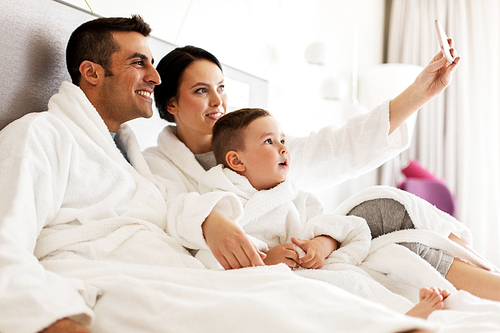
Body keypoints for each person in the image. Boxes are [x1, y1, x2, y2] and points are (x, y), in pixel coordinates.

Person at [1, 14, 443, 333]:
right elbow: (7, 240)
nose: (153, 77)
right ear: (92, 73)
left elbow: (332, 148)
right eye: (140, 63)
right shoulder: (46, 136)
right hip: (145, 273)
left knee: (299, 282)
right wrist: (50, 316)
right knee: (262, 299)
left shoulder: (130, 155)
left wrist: (415, 96)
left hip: (197, 267)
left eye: (222, 88)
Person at [144, 44, 500, 301]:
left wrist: (418, 93)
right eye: (201, 91)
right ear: (171, 103)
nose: (218, 100)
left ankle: (489, 277)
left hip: (310, 242)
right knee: (400, 246)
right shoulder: (157, 164)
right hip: (270, 260)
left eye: (221, 88)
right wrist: (208, 220)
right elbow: (168, 213)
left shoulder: (262, 143)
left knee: (387, 204)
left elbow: (339, 146)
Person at [200, 107, 450, 320]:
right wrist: (264, 262)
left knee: (351, 281)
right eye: (269, 142)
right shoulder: (221, 202)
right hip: (275, 283)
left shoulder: (296, 198)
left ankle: (395, 316)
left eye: (283, 141)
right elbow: (211, 259)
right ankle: (390, 322)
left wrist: (320, 246)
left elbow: (333, 228)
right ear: (236, 161)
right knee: (317, 299)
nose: (283, 149)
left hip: (307, 272)